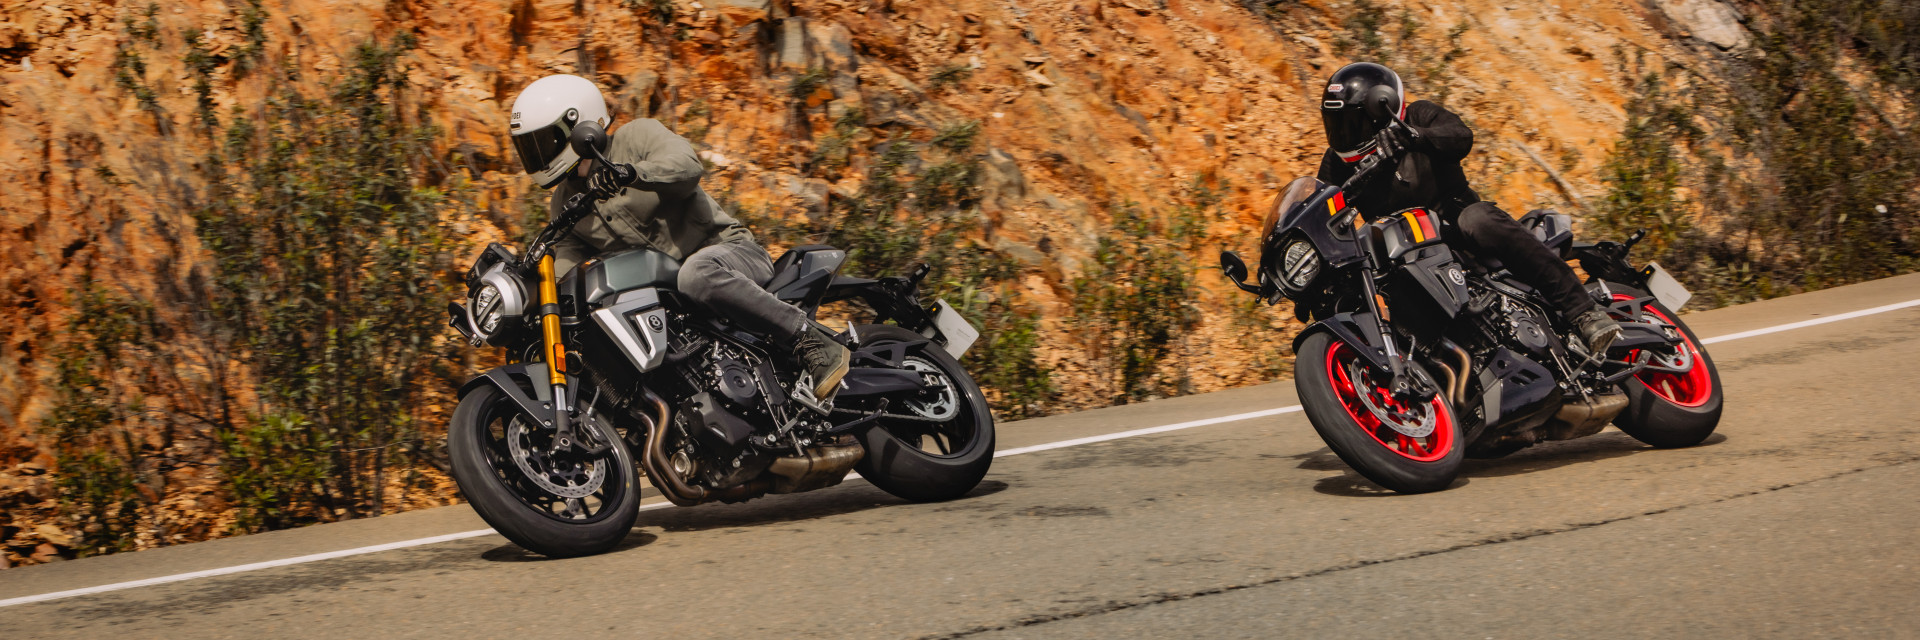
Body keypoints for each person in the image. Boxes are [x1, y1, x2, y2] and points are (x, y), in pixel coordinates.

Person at [507, 74, 849, 398]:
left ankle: (811, 338)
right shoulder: (565, 203)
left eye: (544, 141)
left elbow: (687, 166)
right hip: (672, 302)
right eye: (530, 147)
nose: (539, 154)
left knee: (696, 274)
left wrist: (632, 173)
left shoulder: (637, 137)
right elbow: (568, 272)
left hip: (728, 253)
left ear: (578, 124)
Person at [1312, 62, 1622, 355]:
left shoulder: (1418, 115)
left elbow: (1460, 136)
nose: (1345, 133)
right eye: (1338, 124)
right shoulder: (1336, 163)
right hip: (1403, 252)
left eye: (1353, 123)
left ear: (1381, 111)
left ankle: (1584, 312)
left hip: (1456, 228)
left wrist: (1416, 137)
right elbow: (1323, 210)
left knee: (1478, 219)